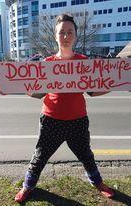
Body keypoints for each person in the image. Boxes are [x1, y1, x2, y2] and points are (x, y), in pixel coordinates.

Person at [14, 14, 115, 203]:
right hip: (51, 120)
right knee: (40, 156)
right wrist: (10, 88)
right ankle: (27, 187)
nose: (66, 36)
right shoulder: (47, 64)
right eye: (62, 32)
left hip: (78, 120)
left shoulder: (83, 62)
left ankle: (98, 182)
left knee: (86, 155)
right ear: (56, 36)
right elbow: (38, 93)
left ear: (75, 35)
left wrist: (116, 84)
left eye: (70, 32)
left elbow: (93, 91)